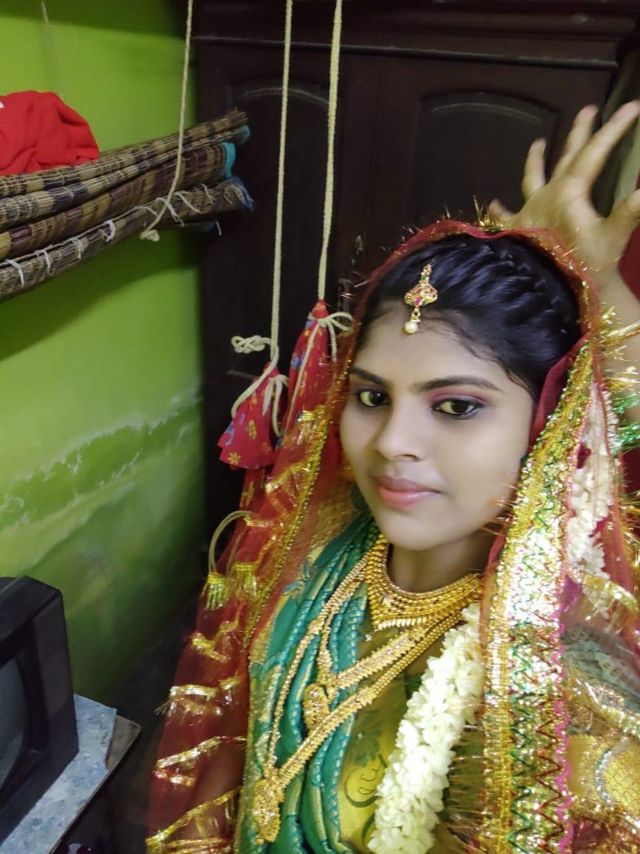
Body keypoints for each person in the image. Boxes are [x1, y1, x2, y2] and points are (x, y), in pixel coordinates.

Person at [146, 103, 640, 853]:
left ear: (548, 427)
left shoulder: (550, 687)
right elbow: (233, 752)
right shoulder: (318, 550)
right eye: (372, 397)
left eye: (457, 406)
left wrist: (610, 315)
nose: (392, 444)